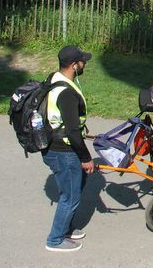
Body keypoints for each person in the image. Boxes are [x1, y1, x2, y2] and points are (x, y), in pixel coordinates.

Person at [42, 45, 94, 252]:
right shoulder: (67, 93)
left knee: (76, 185)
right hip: (63, 151)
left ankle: (66, 227)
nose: (85, 64)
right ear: (74, 65)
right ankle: (55, 240)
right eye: (82, 61)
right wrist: (86, 158)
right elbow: (72, 132)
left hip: (56, 145)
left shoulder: (55, 78)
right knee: (70, 197)